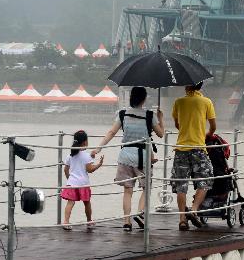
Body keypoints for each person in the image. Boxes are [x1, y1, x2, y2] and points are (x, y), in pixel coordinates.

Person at [92, 86, 165, 231]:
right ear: (144, 99)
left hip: (125, 156)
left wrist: (98, 148)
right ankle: (140, 213)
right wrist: (161, 119)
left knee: (127, 190)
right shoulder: (150, 115)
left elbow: (112, 132)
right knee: (146, 188)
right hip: (142, 157)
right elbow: (161, 134)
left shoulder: (122, 113)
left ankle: (126, 221)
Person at [172, 82, 217, 230]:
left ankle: (182, 220)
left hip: (181, 148)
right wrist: (207, 135)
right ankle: (194, 209)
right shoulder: (206, 102)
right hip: (198, 148)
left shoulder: (178, 102)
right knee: (205, 180)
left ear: (186, 86)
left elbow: (178, 125)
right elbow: (213, 126)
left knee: (181, 185)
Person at [62, 130, 104, 231]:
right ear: (85, 142)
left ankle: (66, 222)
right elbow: (90, 170)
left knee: (70, 203)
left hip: (72, 183)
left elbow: (66, 169)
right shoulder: (86, 156)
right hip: (83, 184)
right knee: (87, 202)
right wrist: (99, 164)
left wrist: (69, 179)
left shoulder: (70, 155)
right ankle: (89, 221)